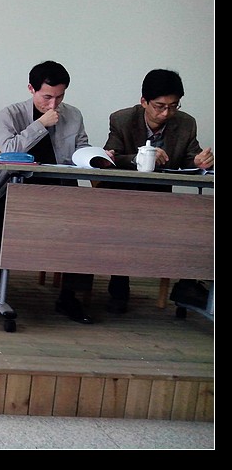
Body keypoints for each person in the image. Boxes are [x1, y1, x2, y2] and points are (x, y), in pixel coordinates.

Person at [0, 60, 112, 324]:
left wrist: (96, 156)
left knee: (87, 223)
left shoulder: (73, 115)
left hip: (60, 187)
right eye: (47, 97)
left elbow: (80, 149)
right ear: (31, 89)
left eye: (59, 97)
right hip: (15, 186)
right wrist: (40, 124)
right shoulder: (10, 113)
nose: (54, 104)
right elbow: (8, 151)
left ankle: (70, 296)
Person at [99, 68, 214, 313]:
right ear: (144, 102)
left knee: (199, 219)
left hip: (161, 198)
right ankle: (119, 287)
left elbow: (190, 158)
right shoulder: (122, 119)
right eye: (160, 106)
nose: (166, 113)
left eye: (173, 106)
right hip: (123, 194)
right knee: (123, 225)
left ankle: (187, 285)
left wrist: (199, 162)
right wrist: (141, 157)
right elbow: (111, 157)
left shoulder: (186, 123)